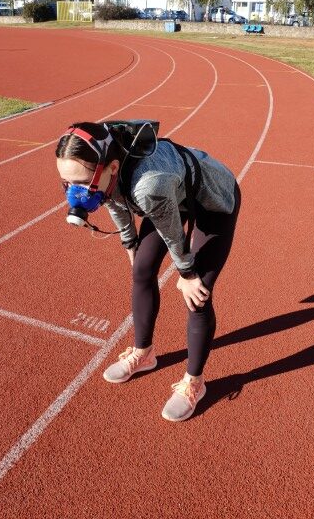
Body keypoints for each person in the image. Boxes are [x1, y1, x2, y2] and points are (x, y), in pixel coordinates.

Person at [56, 121, 241, 422]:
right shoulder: (106, 172)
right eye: (67, 182)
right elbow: (112, 200)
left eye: (82, 182)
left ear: (112, 168)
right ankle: (144, 354)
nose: (75, 193)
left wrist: (188, 274)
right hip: (173, 192)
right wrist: (130, 242)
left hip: (213, 199)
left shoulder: (148, 186)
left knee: (197, 294)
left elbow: (173, 236)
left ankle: (194, 382)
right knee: (142, 269)